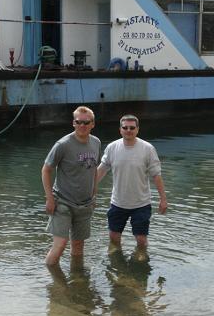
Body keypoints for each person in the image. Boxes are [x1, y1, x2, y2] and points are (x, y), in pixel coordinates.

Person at [97, 115, 167, 254]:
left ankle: (141, 259)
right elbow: (101, 171)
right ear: (120, 130)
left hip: (141, 203)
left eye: (132, 128)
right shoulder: (112, 147)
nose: (128, 130)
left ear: (137, 129)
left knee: (141, 239)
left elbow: (156, 175)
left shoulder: (148, 148)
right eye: (125, 128)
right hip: (118, 202)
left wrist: (163, 199)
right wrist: (88, 192)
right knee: (114, 237)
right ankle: (118, 262)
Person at [42, 106, 101, 266]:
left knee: (78, 246)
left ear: (92, 124)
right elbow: (46, 169)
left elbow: (94, 170)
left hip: (85, 203)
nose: (82, 125)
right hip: (62, 201)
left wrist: (94, 194)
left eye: (86, 122)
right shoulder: (63, 144)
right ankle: (52, 283)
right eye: (78, 122)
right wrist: (49, 199)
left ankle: (77, 280)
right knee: (60, 245)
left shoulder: (96, 143)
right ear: (73, 123)